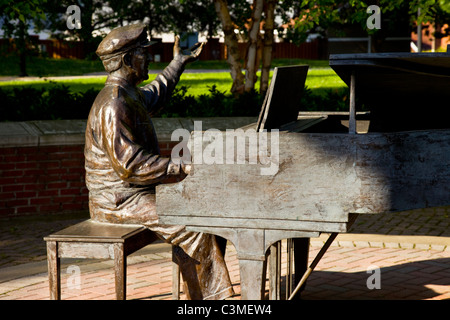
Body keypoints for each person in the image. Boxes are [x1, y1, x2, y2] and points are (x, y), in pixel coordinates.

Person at [84, 23, 234, 300]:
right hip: (118, 200)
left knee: (206, 212)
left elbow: (158, 92)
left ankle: (197, 295)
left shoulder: (129, 94)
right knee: (194, 228)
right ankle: (216, 300)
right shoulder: (113, 104)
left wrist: (178, 62)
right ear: (128, 60)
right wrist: (180, 166)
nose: (149, 58)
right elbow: (129, 165)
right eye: (143, 53)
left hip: (135, 193)